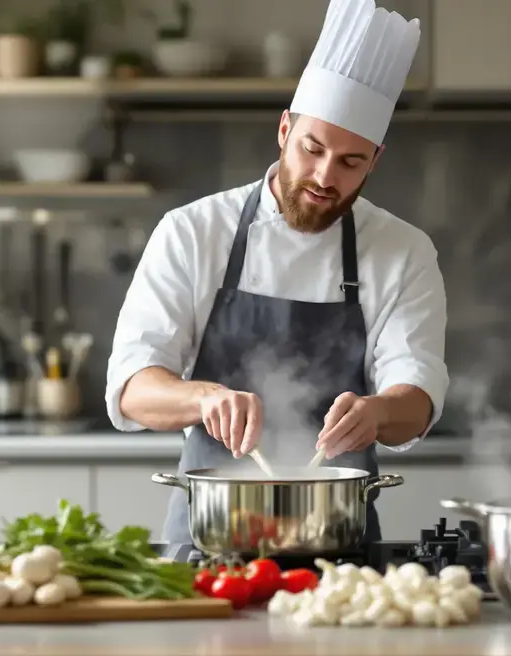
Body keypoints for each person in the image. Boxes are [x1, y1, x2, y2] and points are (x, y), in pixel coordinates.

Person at [105, 0, 449, 545]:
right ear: (284, 130)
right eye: (312, 149)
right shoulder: (193, 231)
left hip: (340, 543)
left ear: (375, 160)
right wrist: (203, 398)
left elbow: (419, 397)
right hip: (208, 537)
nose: (323, 176)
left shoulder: (403, 251)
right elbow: (131, 388)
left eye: (350, 162)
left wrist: (378, 412)